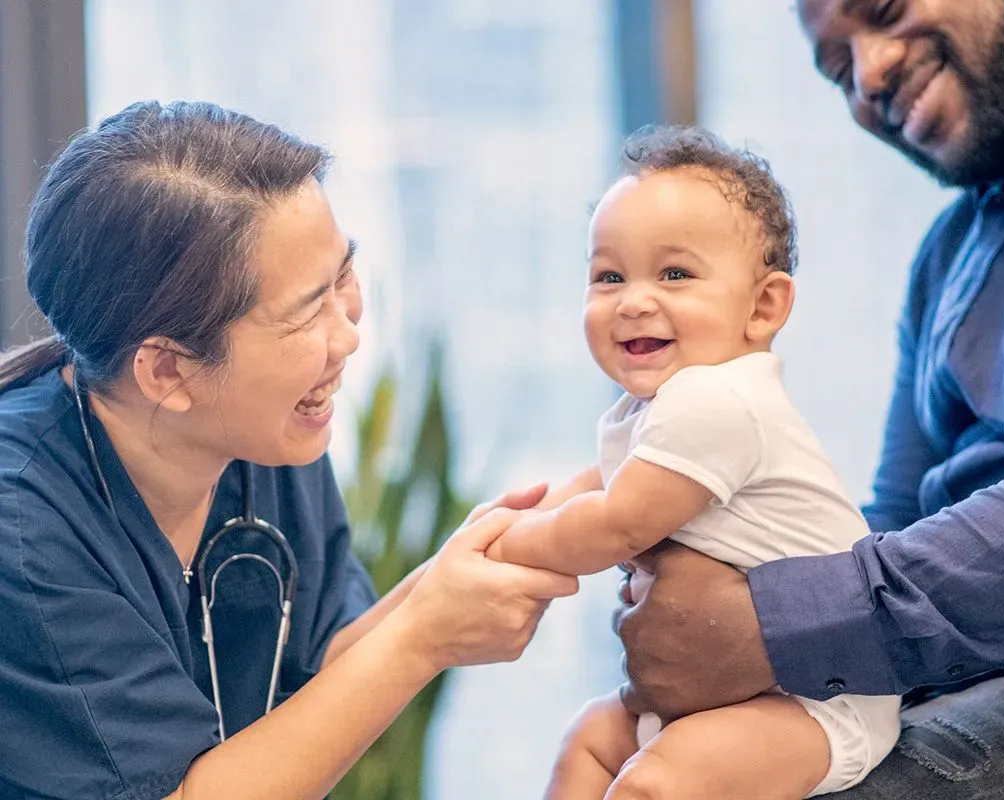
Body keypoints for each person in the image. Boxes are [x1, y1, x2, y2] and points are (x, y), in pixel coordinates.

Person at [612, 0, 1004, 796]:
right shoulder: (951, 252)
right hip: (1000, 679)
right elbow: (893, 518)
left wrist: (763, 626)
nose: (871, 72)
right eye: (837, 69)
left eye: (883, 10)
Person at [0, 100, 578, 800]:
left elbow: (315, 668)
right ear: (167, 371)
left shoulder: (256, 430)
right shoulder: (21, 528)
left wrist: (467, 568)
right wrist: (426, 634)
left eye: (343, 277)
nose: (349, 336)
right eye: (308, 311)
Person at [487, 125, 900, 799]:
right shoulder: (658, 408)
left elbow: (620, 522)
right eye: (609, 276)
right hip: (730, 682)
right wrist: (531, 509)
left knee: (658, 783)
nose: (634, 299)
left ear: (763, 307)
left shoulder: (721, 399)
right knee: (589, 741)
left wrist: (511, 545)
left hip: (818, 701)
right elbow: (599, 484)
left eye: (675, 274)